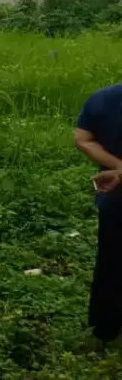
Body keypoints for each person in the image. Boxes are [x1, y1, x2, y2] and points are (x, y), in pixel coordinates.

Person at [75, 82, 122, 344]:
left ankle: (104, 331)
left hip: (115, 200)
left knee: (111, 265)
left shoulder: (103, 98)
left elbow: (82, 139)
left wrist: (116, 166)